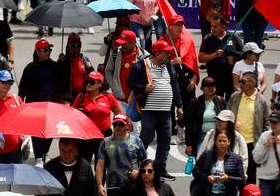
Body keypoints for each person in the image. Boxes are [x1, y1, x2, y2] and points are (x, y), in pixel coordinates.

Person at [127, 39, 182, 179]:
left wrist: (179, 106)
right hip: (149, 110)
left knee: (165, 140)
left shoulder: (168, 65)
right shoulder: (141, 65)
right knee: (146, 137)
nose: (169, 55)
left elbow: (174, 86)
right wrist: (143, 88)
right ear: (157, 54)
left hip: (165, 112)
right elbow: (130, 82)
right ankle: (135, 165)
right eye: (166, 53)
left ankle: (160, 169)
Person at [18, 38, 62, 161]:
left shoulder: (55, 66)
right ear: (37, 52)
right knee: (36, 131)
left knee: (49, 130)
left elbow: (62, 85)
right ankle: (38, 156)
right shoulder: (30, 68)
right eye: (45, 50)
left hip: (51, 105)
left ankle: (45, 152)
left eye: (49, 50)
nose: (48, 52)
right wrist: (20, 102)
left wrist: (62, 63)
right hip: (34, 106)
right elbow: (22, 88)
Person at [227, 71, 271, 184]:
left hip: (252, 144)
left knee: (250, 175)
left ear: (252, 82)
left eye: (243, 81)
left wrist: (263, 141)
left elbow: (267, 123)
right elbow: (227, 115)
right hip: (234, 141)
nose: (240, 83)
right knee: (231, 173)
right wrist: (232, 124)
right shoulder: (235, 96)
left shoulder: (262, 101)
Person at [73, 70, 121, 162]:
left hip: (103, 135)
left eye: (91, 82)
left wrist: (116, 129)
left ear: (100, 84)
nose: (88, 84)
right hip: (85, 137)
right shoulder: (81, 97)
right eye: (87, 81)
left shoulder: (109, 97)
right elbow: (73, 115)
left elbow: (118, 114)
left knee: (101, 165)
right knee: (83, 164)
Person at [96, 113, 147, 196]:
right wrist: (100, 185)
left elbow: (145, 162)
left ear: (128, 126)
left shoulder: (137, 141)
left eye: (121, 124)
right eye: (115, 124)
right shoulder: (105, 142)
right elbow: (100, 165)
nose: (117, 127)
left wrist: (139, 171)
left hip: (133, 185)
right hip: (113, 186)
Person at [190, 129, 246, 196]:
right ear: (215, 142)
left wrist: (228, 178)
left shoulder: (236, 158)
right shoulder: (207, 154)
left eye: (224, 141)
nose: (222, 143)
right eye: (219, 141)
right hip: (207, 192)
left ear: (229, 142)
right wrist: (207, 177)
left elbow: (242, 179)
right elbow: (195, 171)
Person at [199, 14, 243, 98]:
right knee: (217, 107)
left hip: (231, 80)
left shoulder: (233, 38)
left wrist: (235, 58)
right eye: (211, 26)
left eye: (215, 27)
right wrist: (214, 55)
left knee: (230, 107)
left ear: (223, 26)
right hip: (215, 80)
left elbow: (243, 55)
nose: (212, 29)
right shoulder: (207, 39)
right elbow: (200, 58)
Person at [185, 77, 227, 157]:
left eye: (212, 85)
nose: (210, 88)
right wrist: (189, 144)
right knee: (201, 161)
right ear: (202, 89)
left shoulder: (221, 101)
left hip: (218, 137)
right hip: (201, 137)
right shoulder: (195, 102)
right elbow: (189, 124)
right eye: (207, 86)